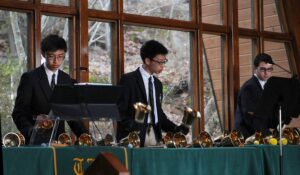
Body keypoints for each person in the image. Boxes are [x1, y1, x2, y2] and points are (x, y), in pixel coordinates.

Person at [12, 34, 88, 145]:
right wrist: (30, 131)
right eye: (51, 56)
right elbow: (19, 113)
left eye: (60, 56)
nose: (56, 61)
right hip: (35, 142)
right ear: (43, 54)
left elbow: (72, 115)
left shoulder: (67, 79)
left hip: (60, 142)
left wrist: (86, 137)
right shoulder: (29, 78)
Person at [116, 40, 189, 147]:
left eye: (164, 62)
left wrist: (175, 129)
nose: (162, 65)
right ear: (147, 60)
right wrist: (134, 126)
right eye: (159, 62)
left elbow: (158, 114)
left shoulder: (158, 84)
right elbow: (119, 112)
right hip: (133, 137)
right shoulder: (128, 80)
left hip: (154, 134)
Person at [234, 53, 276, 139]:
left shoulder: (267, 86)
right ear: (255, 68)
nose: (266, 73)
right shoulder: (249, 87)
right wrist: (268, 135)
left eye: (269, 69)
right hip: (246, 137)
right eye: (263, 69)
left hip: (258, 133)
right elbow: (250, 118)